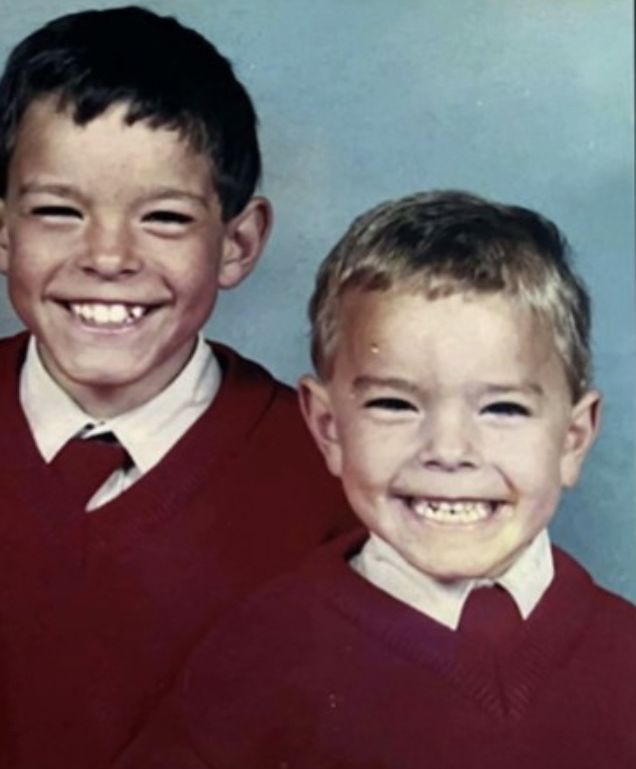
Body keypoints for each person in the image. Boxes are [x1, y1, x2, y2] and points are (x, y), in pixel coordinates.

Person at [0, 7, 354, 767]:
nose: (109, 256)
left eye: (165, 217)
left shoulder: (326, 477)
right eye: (59, 212)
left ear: (238, 242)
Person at [115, 190, 636, 768]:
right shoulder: (263, 648)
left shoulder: (624, 650)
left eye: (503, 409)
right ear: (328, 427)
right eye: (394, 404)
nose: (448, 451)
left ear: (572, 439)